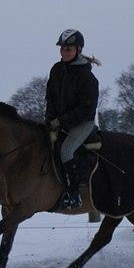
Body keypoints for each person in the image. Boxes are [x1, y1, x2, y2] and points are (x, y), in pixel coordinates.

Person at [45, 29, 100, 209]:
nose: (64, 52)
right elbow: (50, 98)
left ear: (78, 49)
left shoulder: (87, 77)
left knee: (66, 150)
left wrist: (61, 121)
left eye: (68, 49)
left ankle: (74, 194)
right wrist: (50, 119)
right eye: (62, 48)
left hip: (83, 123)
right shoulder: (56, 70)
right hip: (59, 122)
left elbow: (86, 109)